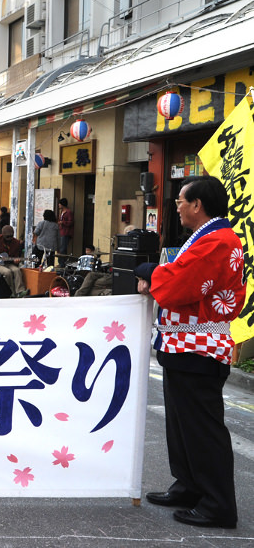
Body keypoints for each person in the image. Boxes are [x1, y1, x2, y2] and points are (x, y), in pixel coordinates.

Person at [135, 175, 244, 530]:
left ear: (198, 205)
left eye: (181, 200)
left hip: (199, 346)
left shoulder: (217, 241)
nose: (177, 205)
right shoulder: (209, 237)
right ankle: (189, 485)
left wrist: (150, 271)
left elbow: (178, 282)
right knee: (182, 424)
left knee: (201, 428)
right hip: (184, 343)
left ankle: (218, 504)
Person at [0, 224, 27, 297]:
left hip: (8, 263)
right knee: (7, 272)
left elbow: (15, 257)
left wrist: (16, 261)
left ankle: (20, 291)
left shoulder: (16, 243)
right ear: (3, 235)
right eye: (7, 237)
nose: (9, 238)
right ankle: (13, 291)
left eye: (11, 236)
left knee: (17, 270)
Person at [58, 197, 74, 266]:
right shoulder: (61, 212)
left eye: (60, 204)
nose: (59, 205)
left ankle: (62, 263)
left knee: (63, 249)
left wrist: (63, 222)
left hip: (66, 232)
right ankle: (61, 262)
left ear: (62, 204)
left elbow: (71, 222)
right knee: (60, 248)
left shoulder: (68, 212)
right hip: (61, 231)